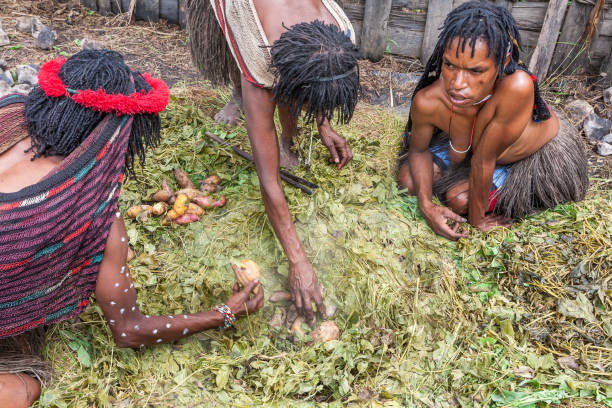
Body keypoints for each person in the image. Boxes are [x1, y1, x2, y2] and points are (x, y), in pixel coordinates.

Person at [0, 50, 264, 408]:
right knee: (23, 390)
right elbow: (128, 330)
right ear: (117, 135)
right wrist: (223, 313)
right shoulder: (91, 206)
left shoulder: (9, 111)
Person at [186, 0, 360, 325]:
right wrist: (298, 261)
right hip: (257, 29)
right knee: (257, 94)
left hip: (289, 52)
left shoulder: (340, 30)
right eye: (308, 102)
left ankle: (290, 133)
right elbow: (269, 179)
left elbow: (319, 72)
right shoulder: (259, 55)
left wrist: (325, 125)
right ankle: (237, 96)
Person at [397, 2, 588, 240]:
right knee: (407, 182)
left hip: (521, 157)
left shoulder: (516, 87)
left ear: (502, 61)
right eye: (450, 65)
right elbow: (418, 151)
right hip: (473, 151)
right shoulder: (428, 100)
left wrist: (477, 222)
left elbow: (483, 161)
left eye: (475, 71)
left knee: (459, 200)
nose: (457, 84)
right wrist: (427, 206)